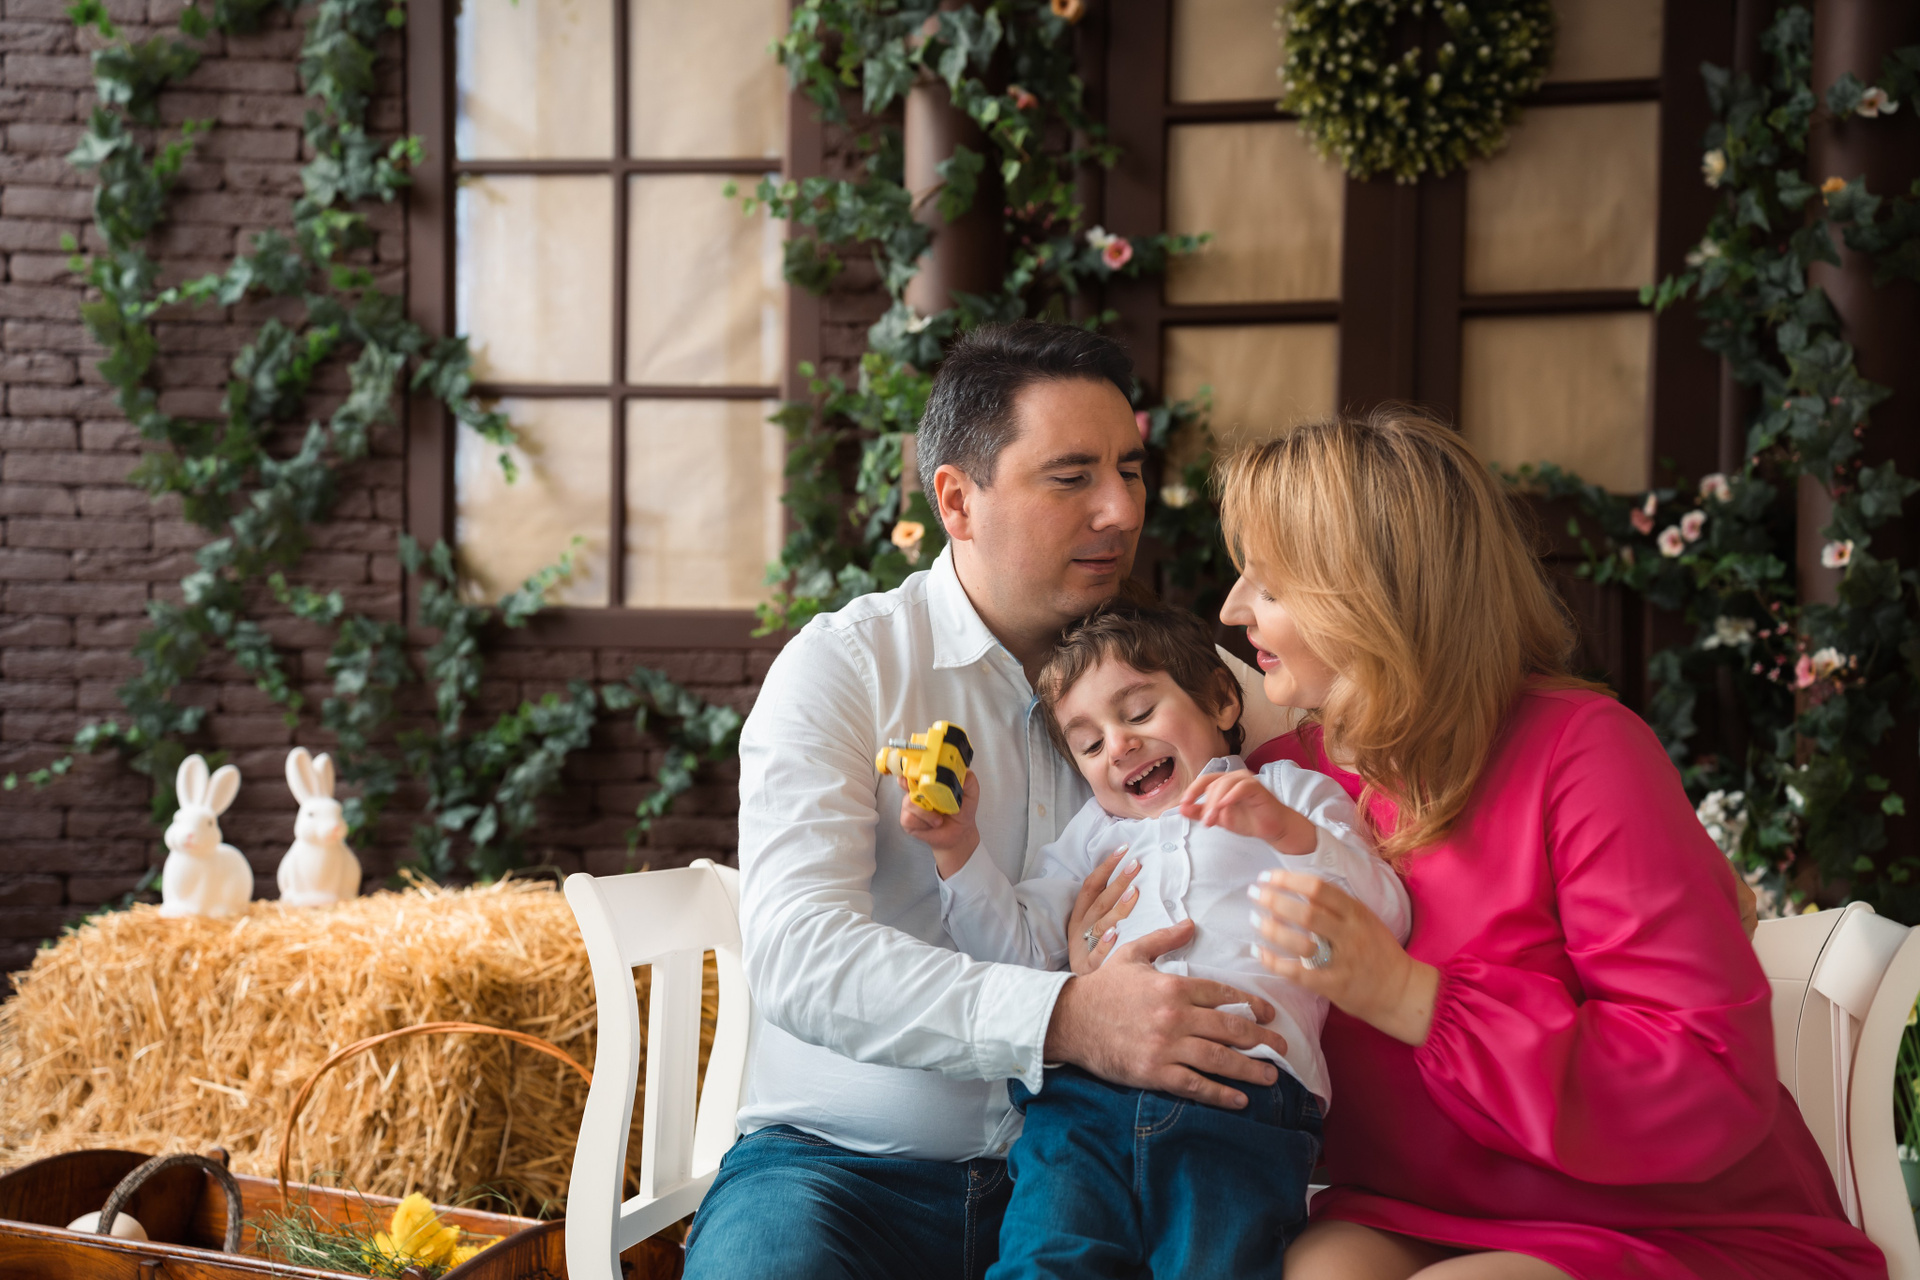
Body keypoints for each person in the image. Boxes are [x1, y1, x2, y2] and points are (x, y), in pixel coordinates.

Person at [682, 321, 1300, 1280]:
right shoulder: (845, 668)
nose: (1119, 511)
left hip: (1111, 1169)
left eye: (1130, 471)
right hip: (836, 1174)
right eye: (1072, 476)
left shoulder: (1180, 680)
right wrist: (1067, 1016)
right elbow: (803, 956)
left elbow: (1348, 782)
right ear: (957, 500)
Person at [1219, 406, 1883, 1280]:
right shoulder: (1275, 787)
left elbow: (1708, 1074)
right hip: (1415, 1208)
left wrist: (1410, 995)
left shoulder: (1583, 750)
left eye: (1269, 586)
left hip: (1670, 1224)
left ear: (1373, 595)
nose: (1232, 609)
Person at [901, 600, 1408, 1279]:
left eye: (1138, 713)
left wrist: (1289, 834)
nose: (1118, 747)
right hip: (1083, 1102)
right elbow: (1014, 954)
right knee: (1045, 1260)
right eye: (1089, 745)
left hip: (1240, 1099)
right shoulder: (1093, 837)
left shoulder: (1289, 794)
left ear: (1222, 700)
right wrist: (959, 849)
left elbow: (1384, 917)